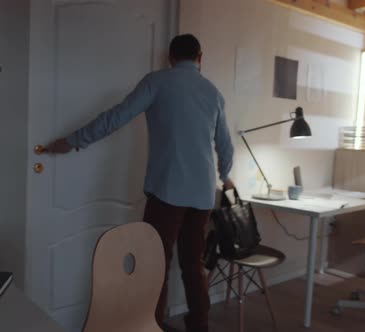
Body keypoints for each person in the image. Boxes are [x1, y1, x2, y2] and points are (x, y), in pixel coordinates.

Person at [46, 34, 234, 332]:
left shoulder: (158, 82)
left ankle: (152, 327)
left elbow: (116, 117)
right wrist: (226, 176)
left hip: (168, 193)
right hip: (201, 195)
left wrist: (72, 142)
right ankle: (199, 327)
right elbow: (225, 146)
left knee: (154, 266)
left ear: (170, 58)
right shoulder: (213, 93)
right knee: (193, 267)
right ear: (200, 58)